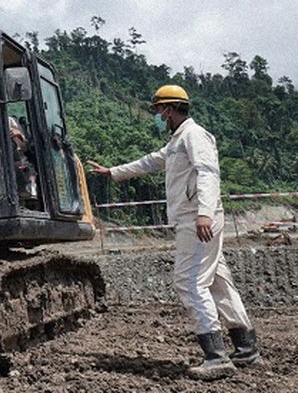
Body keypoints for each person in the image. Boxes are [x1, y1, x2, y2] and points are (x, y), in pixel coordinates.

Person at [86, 85, 260, 380]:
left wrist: (204, 212)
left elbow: (207, 172)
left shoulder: (194, 135)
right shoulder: (177, 140)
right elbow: (151, 161)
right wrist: (113, 172)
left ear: (170, 108)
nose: (156, 116)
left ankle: (216, 356)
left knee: (189, 281)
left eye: (158, 110)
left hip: (197, 219)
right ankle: (246, 348)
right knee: (217, 281)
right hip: (195, 218)